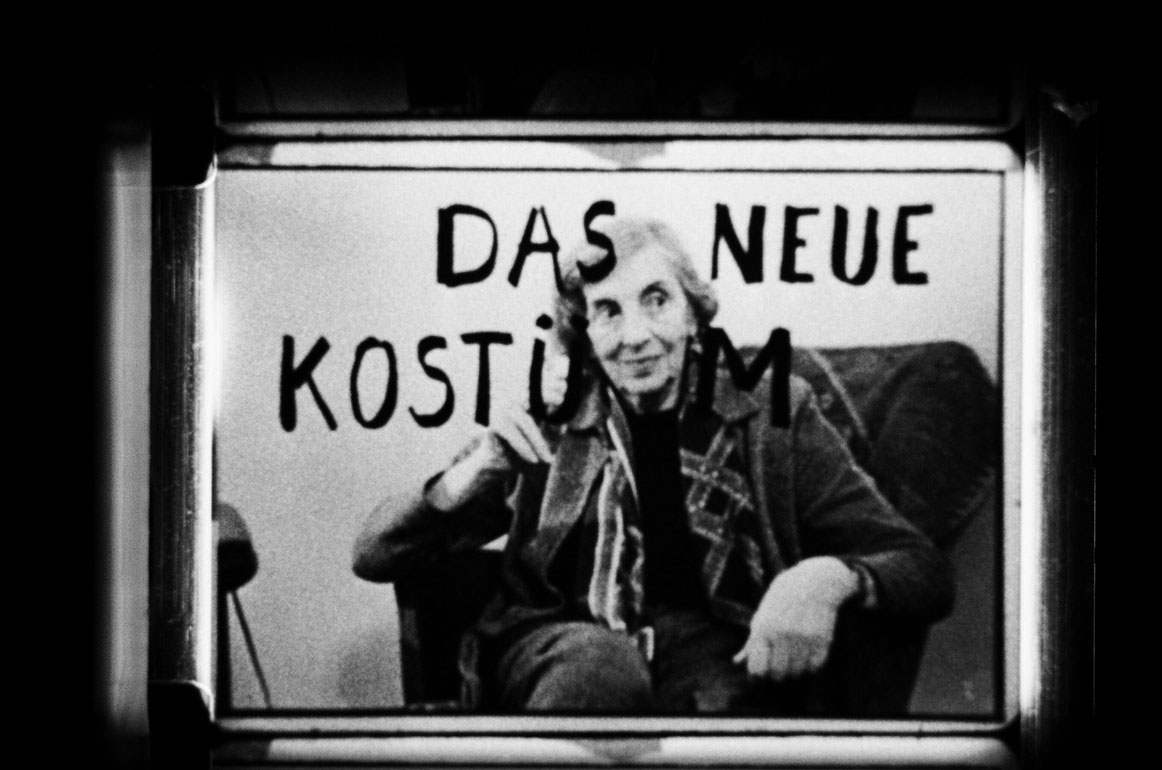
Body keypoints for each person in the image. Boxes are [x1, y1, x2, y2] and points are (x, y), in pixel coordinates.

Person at [353, 217, 954, 714]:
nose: (634, 335)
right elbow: (375, 555)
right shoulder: (552, 419)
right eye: (607, 311)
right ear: (585, 334)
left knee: (726, 699)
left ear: (693, 313)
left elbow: (920, 567)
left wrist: (822, 579)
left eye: (656, 300)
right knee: (598, 671)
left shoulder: (773, 414)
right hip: (560, 648)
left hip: (720, 659)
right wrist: (476, 469)